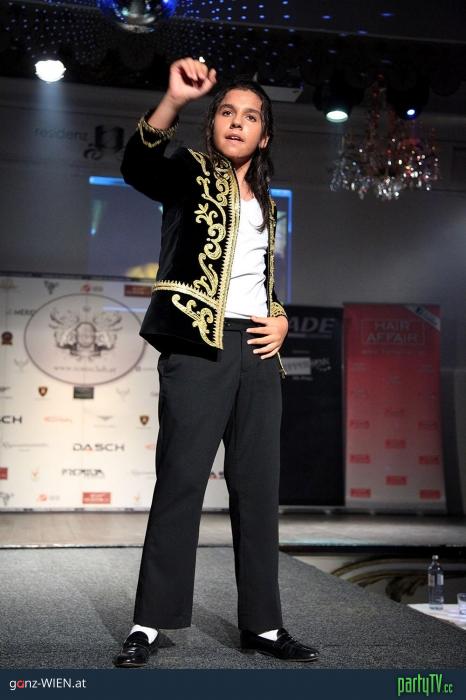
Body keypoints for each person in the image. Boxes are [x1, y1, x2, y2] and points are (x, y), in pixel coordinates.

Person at [113, 57, 320, 667]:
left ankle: (264, 626)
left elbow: (257, 280)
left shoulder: (269, 203)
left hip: (257, 352)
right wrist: (174, 100)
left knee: (257, 491)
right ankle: (149, 623)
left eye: (250, 116)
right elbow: (138, 164)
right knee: (180, 483)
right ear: (214, 125)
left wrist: (280, 316)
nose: (236, 122)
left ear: (265, 134)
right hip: (197, 347)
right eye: (227, 112)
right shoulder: (189, 171)